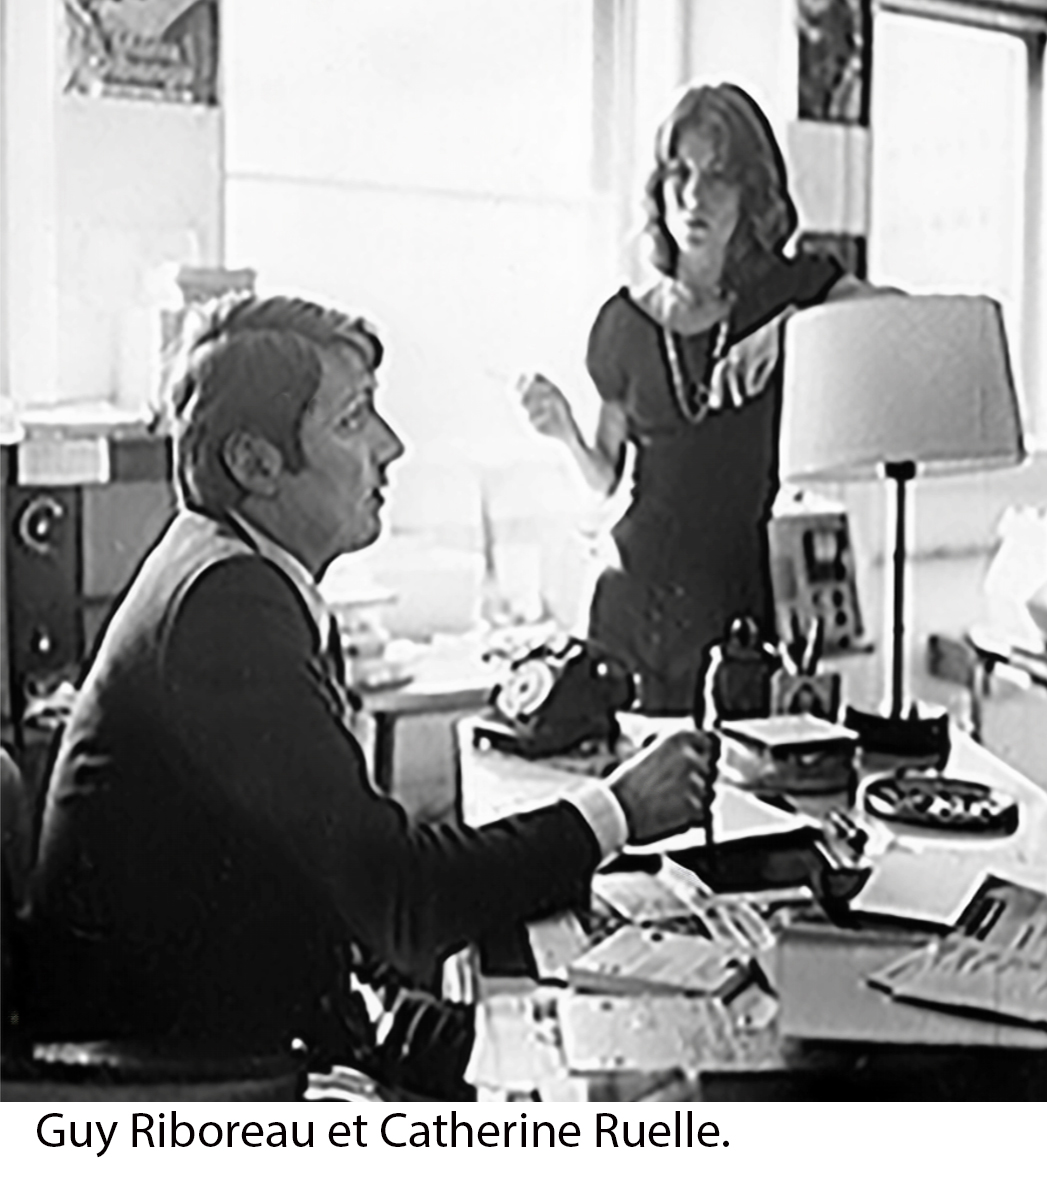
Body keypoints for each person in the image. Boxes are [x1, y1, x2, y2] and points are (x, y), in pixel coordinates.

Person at [25, 295, 715, 1072]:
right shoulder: (227, 605)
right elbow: (401, 901)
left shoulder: (233, 567)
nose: (392, 446)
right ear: (255, 464)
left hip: (266, 1008)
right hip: (199, 1077)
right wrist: (618, 809)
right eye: (353, 420)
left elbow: (348, 873)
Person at [522, 82, 870, 715]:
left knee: (730, 770)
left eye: (718, 176)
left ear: (752, 193)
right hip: (625, 598)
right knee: (618, 768)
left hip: (734, 607)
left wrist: (792, 327)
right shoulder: (623, 323)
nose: (693, 196)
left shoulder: (788, 292)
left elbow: (892, 313)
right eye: (679, 172)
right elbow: (604, 479)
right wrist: (565, 433)